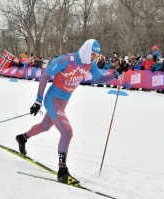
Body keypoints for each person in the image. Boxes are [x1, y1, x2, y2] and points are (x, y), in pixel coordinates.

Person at [15, 39, 120, 186]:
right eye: (92, 54)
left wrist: (116, 74)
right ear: (85, 50)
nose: (94, 57)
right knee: (67, 132)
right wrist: (38, 100)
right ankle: (62, 171)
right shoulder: (66, 60)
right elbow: (45, 75)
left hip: (64, 101)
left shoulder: (90, 64)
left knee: (45, 126)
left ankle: (22, 138)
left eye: (96, 55)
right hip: (53, 99)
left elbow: (100, 78)